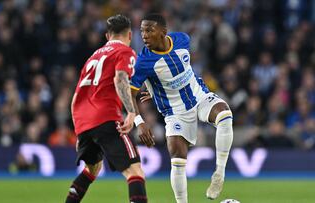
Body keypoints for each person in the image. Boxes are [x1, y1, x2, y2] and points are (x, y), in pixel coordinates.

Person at [130, 14, 234, 202]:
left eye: (149, 30)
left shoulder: (182, 40)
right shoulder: (143, 62)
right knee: (177, 157)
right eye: (142, 31)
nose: (144, 35)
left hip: (199, 96)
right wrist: (139, 121)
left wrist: (154, 89)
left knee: (225, 114)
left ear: (163, 32)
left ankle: (219, 173)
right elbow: (129, 94)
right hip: (175, 112)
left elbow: (181, 67)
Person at [66, 14, 151, 203]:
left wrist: (79, 129)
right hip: (105, 118)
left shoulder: (92, 57)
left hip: (83, 122)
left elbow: (76, 95)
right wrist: (131, 112)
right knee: (135, 172)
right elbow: (120, 79)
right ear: (130, 35)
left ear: (107, 36)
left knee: (92, 169)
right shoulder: (125, 52)